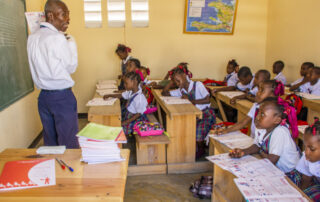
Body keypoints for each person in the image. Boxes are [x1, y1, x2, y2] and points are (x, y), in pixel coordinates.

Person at [27, 0, 79, 148]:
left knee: (50, 142)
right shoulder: (58, 38)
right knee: (68, 143)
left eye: (68, 15)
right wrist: (71, 43)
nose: (68, 19)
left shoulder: (32, 38)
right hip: (62, 98)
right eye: (64, 14)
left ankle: (53, 169)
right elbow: (71, 67)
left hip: (43, 98)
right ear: (50, 15)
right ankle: (70, 171)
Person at [229, 97, 300, 173]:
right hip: (276, 168)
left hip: (289, 173)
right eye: (258, 112)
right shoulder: (262, 127)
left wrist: (250, 167)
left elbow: (272, 160)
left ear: (277, 120)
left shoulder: (280, 132)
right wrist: (243, 152)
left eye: (262, 114)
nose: (258, 117)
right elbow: (257, 145)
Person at [162, 67, 216, 158]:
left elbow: (207, 99)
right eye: (175, 82)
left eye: (178, 80)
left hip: (205, 114)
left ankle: (201, 148)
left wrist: (191, 101)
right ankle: (190, 147)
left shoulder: (197, 85)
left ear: (184, 75)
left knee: (196, 132)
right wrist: (171, 83)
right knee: (182, 128)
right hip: (193, 116)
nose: (177, 84)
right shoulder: (181, 90)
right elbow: (165, 93)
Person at [214, 80, 283, 138]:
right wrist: (227, 130)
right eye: (258, 89)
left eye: (262, 90)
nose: (257, 93)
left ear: (273, 94)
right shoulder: (256, 105)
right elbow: (243, 122)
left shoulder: (276, 112)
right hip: (254, 142)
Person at [286, 118, 320, 202]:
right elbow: (306, 177)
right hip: (315, 180)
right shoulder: (307, 155)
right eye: (305, 146)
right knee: (288, 178)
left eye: (312, 149)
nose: (306, 152)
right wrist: (301, 194)